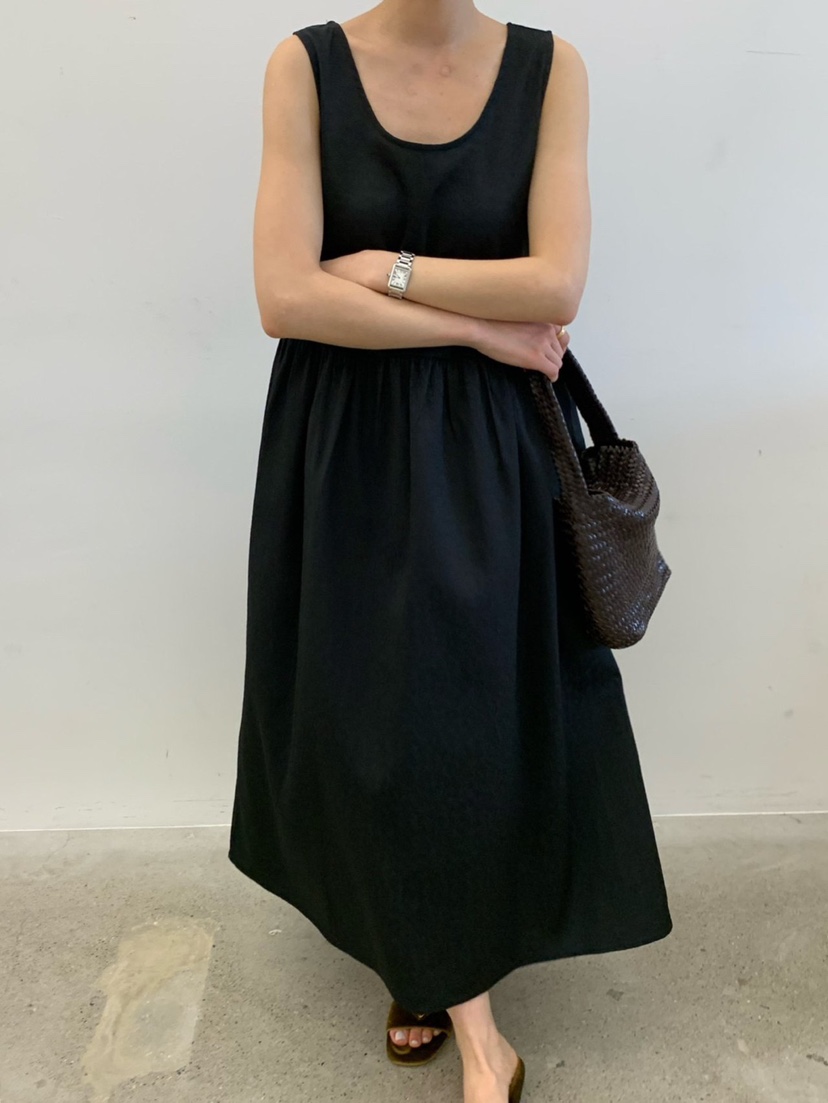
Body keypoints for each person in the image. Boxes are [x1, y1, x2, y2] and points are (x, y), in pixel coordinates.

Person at [227, 5, 673, 1101]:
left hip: (488, 449)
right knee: (370, 714)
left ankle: (450, 990)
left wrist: (377, 268)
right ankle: (431, 969)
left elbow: (554, 286)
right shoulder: (304, 66)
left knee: (463, 712)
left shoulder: (550, 68)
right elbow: (285, 297)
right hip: (344, 447)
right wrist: (475, 322)